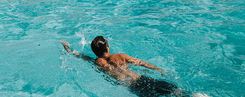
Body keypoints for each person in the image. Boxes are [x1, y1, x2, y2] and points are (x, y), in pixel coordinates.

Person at [60, 36, 192, 97]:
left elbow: (81, 57)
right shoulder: (120, 56)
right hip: (140, 78)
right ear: (107, 47)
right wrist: (159, 70)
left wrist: (68, 49)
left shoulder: (96, 62)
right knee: (174, 91)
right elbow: (141, 63)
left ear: (96, 52)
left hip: (131, 87)